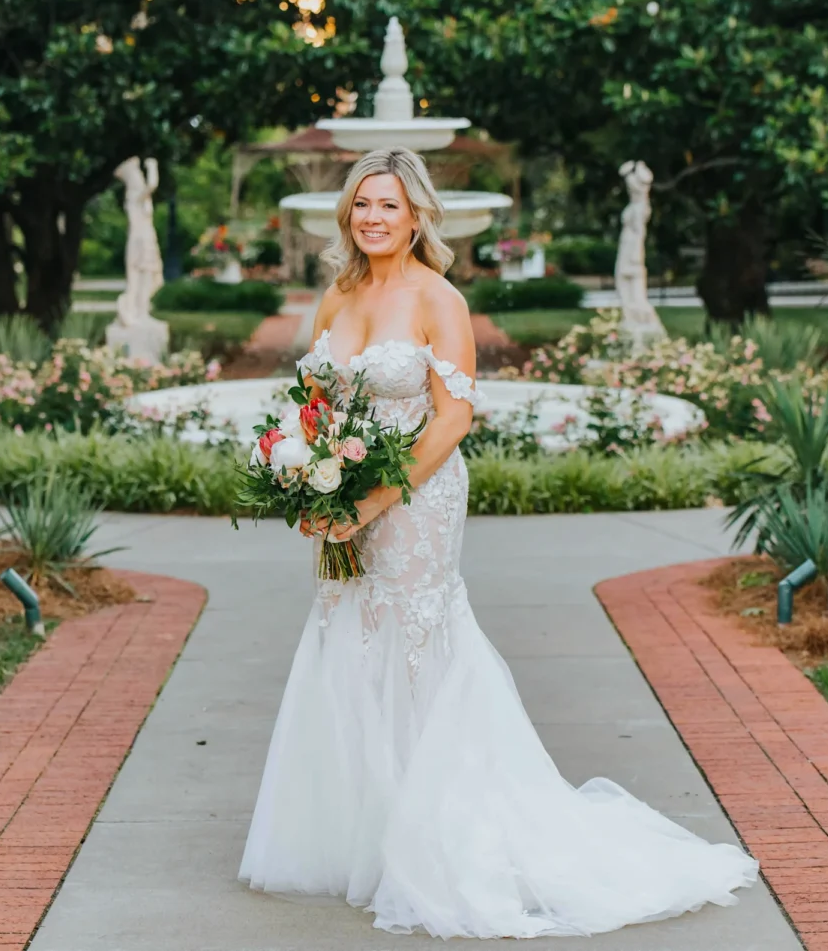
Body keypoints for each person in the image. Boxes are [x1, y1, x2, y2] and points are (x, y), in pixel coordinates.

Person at [238, 148, 759, 939]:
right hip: (341, 497)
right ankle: (367, 830)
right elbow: (315, 405)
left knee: (414, 641)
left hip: (418, 495)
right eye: (362, 204)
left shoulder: (437, 297)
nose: (373, 217)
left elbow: (453, 416)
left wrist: (372, 500)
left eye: (389, 204)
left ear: (416, 215)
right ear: (348, 214)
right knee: (348, 631)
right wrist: (310, 484)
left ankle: (439, 835)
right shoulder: (336, 296)